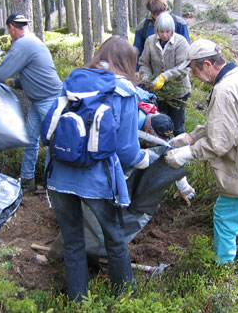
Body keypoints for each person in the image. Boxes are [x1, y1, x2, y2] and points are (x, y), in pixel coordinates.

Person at [46, 36, 151, 301]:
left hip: (59, 174)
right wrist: (145, 159)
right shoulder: (124, 91)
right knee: (114, 240)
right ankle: (125, 298)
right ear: (128, 61)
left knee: (72, 241)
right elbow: (127, 151)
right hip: (98, 180)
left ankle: (78, 300)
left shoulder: (73, 81)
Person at [164, 39, 238, 263]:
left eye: (194, 70)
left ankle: (224, 271)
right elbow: (225, 123)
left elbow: (220, 142)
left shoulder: (224, 90)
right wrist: (191, 136)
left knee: (225, 216)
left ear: (208, 65)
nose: (194, 76)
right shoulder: (237, 77)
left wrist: (186, 153)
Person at [0, 13, 63, 192]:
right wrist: (12, 83)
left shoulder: (23, 44)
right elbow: (31, 75)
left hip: (49, 101)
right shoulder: (31, 41)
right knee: (30, 140)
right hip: (39, 101)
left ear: (11, 27)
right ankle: (28, 180)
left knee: (54, 144)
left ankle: (54, 185)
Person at [139, 12, 191, 136]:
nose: (164, 35)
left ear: (172, 30)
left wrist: (164, 76)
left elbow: (183, 67)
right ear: (157, 30)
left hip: (178, 92)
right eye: (161, 32)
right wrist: (147, 79)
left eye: (168, 31)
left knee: (178, 127)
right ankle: (163, 151)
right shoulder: (150, 41)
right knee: (160, 125)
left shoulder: (181, 42)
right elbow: (144, 63)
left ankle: (180, 151)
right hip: (157, 92)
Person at [134, 0, 190, 67]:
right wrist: (138, 70)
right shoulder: (143, 26)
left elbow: (187, 51)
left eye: (160, 13)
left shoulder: (179, 23)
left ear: (165, 9)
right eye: (154, 14)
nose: (157, 17)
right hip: (152, 72)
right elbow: (138, 51)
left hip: (177, 70)